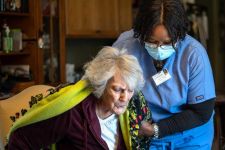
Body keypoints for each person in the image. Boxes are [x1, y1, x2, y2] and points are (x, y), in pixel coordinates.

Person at [113, 0, 216, 149]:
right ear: (141, 33)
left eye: (167, 43)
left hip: (190, 136)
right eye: (151, 41)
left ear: (179, 36)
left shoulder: (194, 54)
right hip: (144, 134)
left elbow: (201, 112)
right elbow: (107, 86)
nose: (159, 48)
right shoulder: (126, 47)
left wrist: (157, 129)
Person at [7, 46, 148, 150]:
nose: (125, 98)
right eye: (118, 89)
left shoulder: (132, 111)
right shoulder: (72, 112)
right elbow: (20, 141)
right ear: (101, 85)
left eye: (130, 90)